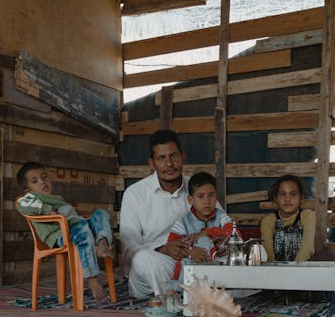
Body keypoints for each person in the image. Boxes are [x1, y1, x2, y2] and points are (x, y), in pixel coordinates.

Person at [15, 162, 113, 301]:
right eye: (35, 181)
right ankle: (92, 277)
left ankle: (102, 242)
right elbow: (21, 205)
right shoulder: (30, 199)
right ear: (27, 190)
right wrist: (47, 210)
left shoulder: (57, 198)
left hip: (77, 227)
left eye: (45, 177)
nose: (43, 182)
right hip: (61, 236)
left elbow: (73, 215)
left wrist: (86, 218)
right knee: (82, 231)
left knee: (100, 213)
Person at [120, 129, 197, 298]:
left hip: (193, 262)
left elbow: (221, 227)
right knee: (142, 259)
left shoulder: (197, 187)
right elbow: (128, 253)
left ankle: (189, 294)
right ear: (151, 163)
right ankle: (173, 298)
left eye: (174, 156)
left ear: (183, 156)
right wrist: (163, 249)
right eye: (161, 158)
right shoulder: (135, 194)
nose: (169, 164)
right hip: (154, 268)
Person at [166, 172, 235, 290]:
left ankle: (222, 290)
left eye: (211, 195)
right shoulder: (183, 222)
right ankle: (182, 291)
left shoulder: (221, 216)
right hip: (192, 262)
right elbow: (172, 245)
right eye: (200, 196)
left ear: (216, 197)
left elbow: (232, 233)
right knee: (188, 258)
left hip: (218, 259)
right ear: (190, 200)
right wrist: (190, 252)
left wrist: (208, 232)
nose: (207, 201)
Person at [260, 174, 316, 262]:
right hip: (275, 271)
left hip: (302, 269)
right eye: (282, 194)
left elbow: (307, 248)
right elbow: (268, 253)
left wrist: (293, 270)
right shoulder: (269, 221)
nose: (287, 199)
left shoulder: (307, 216)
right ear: (276, 198)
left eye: (293, 194)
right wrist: (275, 271)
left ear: (301, 198)